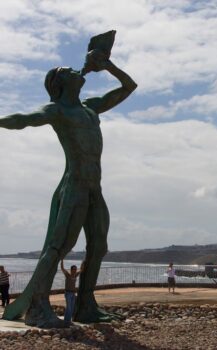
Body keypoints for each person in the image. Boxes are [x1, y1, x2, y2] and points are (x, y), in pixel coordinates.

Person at [1, 41, 137, 327]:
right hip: (74, 184)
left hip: (94, 188)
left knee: (98, 246)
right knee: (60, 245)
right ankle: (38, 307)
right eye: (69, 70)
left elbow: (129, 87)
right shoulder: (57, 111)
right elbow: (22, 119)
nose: (78, 69)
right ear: (61, 82)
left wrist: (107, 65)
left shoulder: (90, 108)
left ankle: (86, 306)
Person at [61, 260, 83, 325]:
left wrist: (83, 263)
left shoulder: (75, 275)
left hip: (73, 293)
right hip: (68, 293)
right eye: (73, 269)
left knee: (72, 307)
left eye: (75, 269)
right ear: (71, 270)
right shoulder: (68, 275)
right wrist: (62, 260)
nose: (75, 270)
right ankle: (66, 321)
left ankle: (69, 321)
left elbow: (81, 270)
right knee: (69, 307)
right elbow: (62, 268)